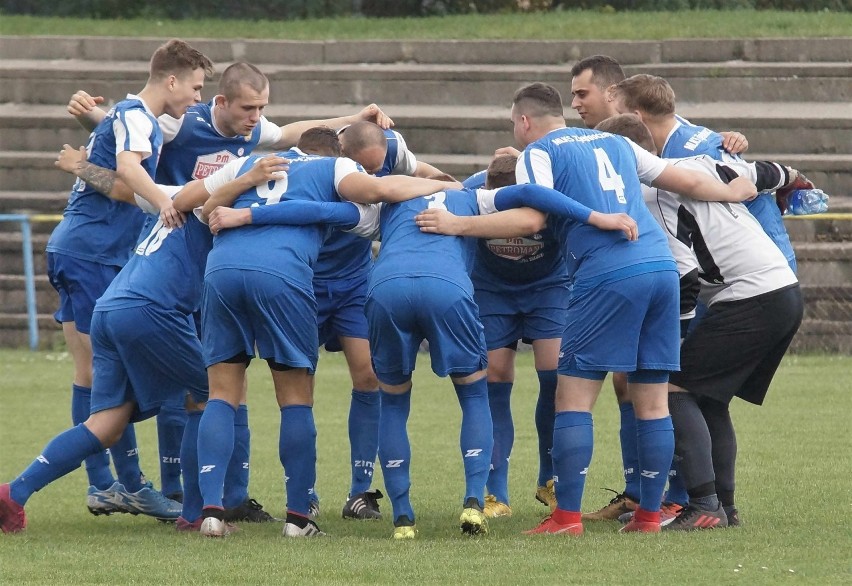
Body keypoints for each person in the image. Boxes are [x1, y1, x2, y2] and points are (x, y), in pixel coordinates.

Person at [418, 82, 756, 535]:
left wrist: (461, 223)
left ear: (523, 122)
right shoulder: (616, 141)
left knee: (572, 396)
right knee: (653, 398)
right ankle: (651, 516)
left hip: (608, 271)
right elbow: (684, 178)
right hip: (662, 269)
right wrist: (733, 193)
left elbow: (534, 211)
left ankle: (566, 518)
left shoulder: (538, 152)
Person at [66, 62, 392, 521]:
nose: (256, 117)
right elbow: (128, 148)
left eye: (262, 108)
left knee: (209, 390)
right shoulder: (182, 125)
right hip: (178, 256)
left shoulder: (248, 151)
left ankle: (215, 503)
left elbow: (287, 136)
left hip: (208, 265)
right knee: (221, 391)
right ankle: (207, 499)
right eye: (248, 107)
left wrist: (352, 118)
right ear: (217, 101)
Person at [0, 146, 289, 534]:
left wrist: (83, 166)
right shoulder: (219, 198)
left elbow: (124, 189)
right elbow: (210, 201)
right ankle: (193, 514)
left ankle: (13, 494)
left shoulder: (171, 192)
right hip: (150, 310)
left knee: (108, 422)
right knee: (214, 396)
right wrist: (249, 181)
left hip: (111, 307)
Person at [192, 144, 454, 538]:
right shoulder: (335, 169)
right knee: (296, 399)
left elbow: (204, 207)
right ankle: (299, 516)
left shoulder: (255, 163)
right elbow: (365, 197)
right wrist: (440, 187)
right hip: (283, 275)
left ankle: (211, 512)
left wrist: (245, 202)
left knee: (221, 394)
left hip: (222, 270)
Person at [596, 113, 804, 530]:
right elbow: (772, 170)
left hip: (751, 296)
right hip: (782, 289)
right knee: (709, 399)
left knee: (671, 388)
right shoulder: (697, 165)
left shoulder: (653, 196)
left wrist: (671, 341)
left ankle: (705, 505)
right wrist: (795, 181)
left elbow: (686, 278)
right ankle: (724, 507)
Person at [569, 56, 749, 521]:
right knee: (648, 389)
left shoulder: (656, 159)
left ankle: (681, 499)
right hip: (687, 284)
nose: (577, 105)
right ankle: (654, 498)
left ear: (620, 103)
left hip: (703, 288)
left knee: (670, 390)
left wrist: (747, 172)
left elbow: (726, 173)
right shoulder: (656, 157)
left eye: (583, 94)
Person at [41, 39, 212, 520]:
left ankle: (110, 485)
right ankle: (124, 485)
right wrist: (164, 201)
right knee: (109, 376)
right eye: (195, 87)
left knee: (92, 373)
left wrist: (83, 158)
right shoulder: (138, 117)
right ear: (172, 80)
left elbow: (113, 163)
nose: (197, 98)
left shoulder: (133, 117)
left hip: (82, 249)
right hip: (93, 251)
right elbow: (125, 175)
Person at [305, 120, 449, 521]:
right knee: (298, 384)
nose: (371, 175)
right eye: (362, 168)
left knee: (369, 377)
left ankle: (359, 491)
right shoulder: (319, 169)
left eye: (377, 167)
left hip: (354, 284)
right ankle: (303, 490)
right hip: (307, 281)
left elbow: (424, 173)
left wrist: (452, 186)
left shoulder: (391, 150)